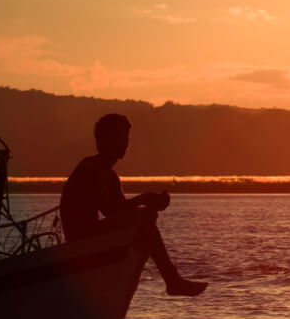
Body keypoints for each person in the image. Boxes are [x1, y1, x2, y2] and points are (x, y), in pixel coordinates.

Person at [60, 113, 207, 296]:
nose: (125, 144)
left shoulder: (110, 175)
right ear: (104, 140)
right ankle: (172, 280)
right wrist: (143, 199)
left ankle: (171, 279)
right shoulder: (91, 168)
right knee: (144, 217)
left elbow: (119, 210)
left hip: (93, 234)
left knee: (147, 216)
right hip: (81, 238)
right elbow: (113, 211)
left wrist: (152, 204)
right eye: (119, 138)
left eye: (126, 139)